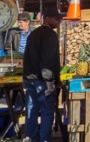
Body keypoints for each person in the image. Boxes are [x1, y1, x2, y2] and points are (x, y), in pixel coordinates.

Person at [23, 8, 63, 142]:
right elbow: (48, 61)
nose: (58, 23)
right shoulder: (50, 35)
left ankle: (31, 138)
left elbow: (26, 58)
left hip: (30, 79)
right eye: (56, 19)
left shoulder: (33, 34)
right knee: (46, 112)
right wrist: (50, 81)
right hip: (43, 81)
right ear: (47, 19)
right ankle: (45, 139)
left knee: (31, 111)